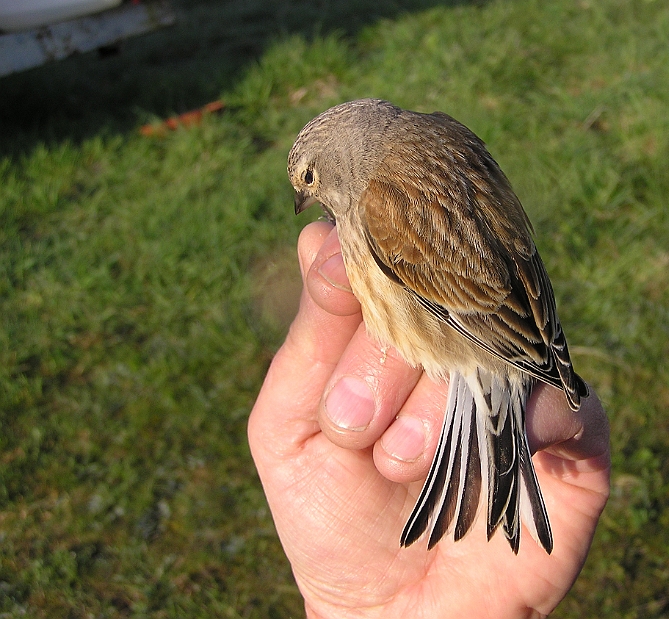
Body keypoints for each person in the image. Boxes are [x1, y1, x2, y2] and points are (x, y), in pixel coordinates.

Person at [249, 221, 611, 619]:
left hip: (482, 345)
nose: (304, 202)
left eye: (311, 181)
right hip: (504, 335)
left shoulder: (385, 208)